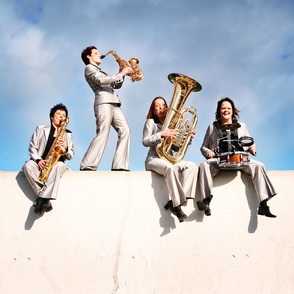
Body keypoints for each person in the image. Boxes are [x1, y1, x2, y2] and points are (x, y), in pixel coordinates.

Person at [197, 97, 277, 217]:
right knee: (204, 165)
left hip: (240, 160)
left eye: (228, 108)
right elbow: (203, 147)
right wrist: (208, 153)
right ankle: (206, 201)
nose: (226, 110)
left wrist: (252, 147)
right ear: (219, 111)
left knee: (259, 166)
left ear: (233, 111)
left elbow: (249, 141)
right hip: (220, 161)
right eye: (223, 108)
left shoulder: (242, 126)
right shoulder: (212, 127)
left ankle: (263, 204)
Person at [142, 96, 199, 222]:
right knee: (169, 168)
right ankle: (177, 206)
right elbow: (145, 141)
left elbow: (177, 148)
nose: (161, 107)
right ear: (153, 110)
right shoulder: (150, 123)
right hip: (153, 159)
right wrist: (161, 134)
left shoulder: (174, 124)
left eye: (163, 104)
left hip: (169, 159)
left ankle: (176, 200)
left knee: (192, 166)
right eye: (157, 106)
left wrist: (187, 138)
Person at [80, 46, 133, 171]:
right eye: (96, 53)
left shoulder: (99, 70)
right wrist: (121, 73)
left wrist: (122, 73)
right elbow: (101, 80)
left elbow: (116, 85)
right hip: (103, 102)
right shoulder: (89, 68)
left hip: (114, 102)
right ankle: (88, 164)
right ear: (89, 56)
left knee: (125, 130)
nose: (100, 55)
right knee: (103, 132)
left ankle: (119, 165)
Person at [22, 103, 74, 215]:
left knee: (59, 165)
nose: (61, 116)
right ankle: (45, 198)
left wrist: (66, 147)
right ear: (52, 116)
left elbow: (71, 155)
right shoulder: (40, 129)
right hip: (41, 163)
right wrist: (38, 160)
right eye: (58, 114)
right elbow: (32, 147)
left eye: (63, 115)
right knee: (27, 166)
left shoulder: (68, 134)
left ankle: (42, 199)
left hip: (57, 165)